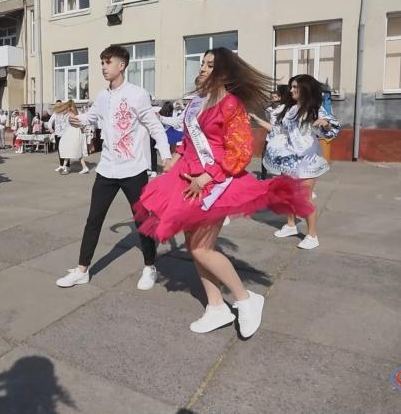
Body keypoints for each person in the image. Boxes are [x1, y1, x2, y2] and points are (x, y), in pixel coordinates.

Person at [134, 48, 313, 338]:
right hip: (187, 177)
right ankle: (216, 307)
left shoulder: (231, 105)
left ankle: (246, 299)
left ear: (225, 73)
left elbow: (241, 151)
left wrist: (207, 176)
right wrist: (175, 160)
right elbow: (187, 142)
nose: (203, 69)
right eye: (202, 64)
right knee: (194, 246)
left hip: (217, 180)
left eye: (210, 65)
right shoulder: (197, 103)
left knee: (201, 248)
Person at [56, 45, 173, 291]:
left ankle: (150, 266)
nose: (103, 67)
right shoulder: (102, 96)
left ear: (121, 65)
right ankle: (82, 270)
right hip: (107, 169)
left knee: (142, 220)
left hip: (134, 170)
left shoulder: (137, 94)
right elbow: (92, 117)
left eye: (107, 62)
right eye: (102, 63)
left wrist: (166, 156)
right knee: (93, 219)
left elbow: (155, 127)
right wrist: (78, 120)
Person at [253, 74, 340, 250]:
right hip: (289, 159)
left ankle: (312, 235)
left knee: (304, 198)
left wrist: (325, 124)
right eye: (291, 87)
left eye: (295, 87)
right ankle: (291, 225)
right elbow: (277, 131)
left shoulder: (315, 109)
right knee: (288, 194)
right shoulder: (289, 110)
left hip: (308, 160)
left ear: (305, 89)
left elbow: (331, 131)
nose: (291, 90)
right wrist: (258, 120)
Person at [54, 100, 89, 175]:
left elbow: (78, 124)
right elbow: (79, 124)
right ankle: (65, 166)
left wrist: (81, 127)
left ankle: (66, 166)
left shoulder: (72, 115)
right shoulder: (73, 114)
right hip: (73, 133)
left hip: (73, 134)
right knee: (72, 150)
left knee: (72, 150)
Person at [47, 100, 70, 172]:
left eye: (59, 105)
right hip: (57, 134)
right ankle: (61, 165)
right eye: (57, 105)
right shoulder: (55, 113)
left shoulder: (65, 112)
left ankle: (67, 166)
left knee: (66, 150)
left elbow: (68, 122)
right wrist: (50, 128)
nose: (58, 106)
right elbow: (50, 122)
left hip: (65, 134)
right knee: (59, 150)